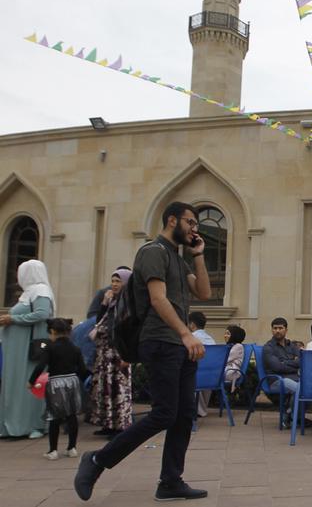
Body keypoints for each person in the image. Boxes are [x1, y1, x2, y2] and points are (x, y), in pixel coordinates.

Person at [74, 201, 211, 502]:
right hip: (160, 340)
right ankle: (97, 461)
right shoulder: (153, 252)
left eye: (197, 225)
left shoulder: (177, 259)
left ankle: (170, 481)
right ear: (172, 220)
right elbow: (158, 299)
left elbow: (203, 292)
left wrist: (198, 255)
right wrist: (186, 333)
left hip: (179, 344)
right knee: (164, 413)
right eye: (190, 222)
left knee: (183, 415)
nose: (194, 229)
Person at [0, 259, 55, 439]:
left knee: (32, 384)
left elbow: (42, 313)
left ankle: (33, 424)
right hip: (18, 350)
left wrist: (13, 319)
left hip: (28, 350)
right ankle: (13, 424)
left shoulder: (40, 290)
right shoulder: (29, 293)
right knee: (17, 385)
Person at [29, 318, 90, 460]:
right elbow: (82, 369)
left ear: (53, 331)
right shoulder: (75, 348)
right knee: (72, 415)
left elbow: (40, 366)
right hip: (72, 381)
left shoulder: (50, 347)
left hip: (56, 382)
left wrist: (31, 381)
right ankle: (72, 448)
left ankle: (53, 450)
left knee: (54, 417)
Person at [88, 268, 134, 437]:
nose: (114, 284)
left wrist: (127, 355)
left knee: (118, 388)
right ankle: (108, 424)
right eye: (113, 281)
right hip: (105, 352)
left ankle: (120, 426)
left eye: (118, 281)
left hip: (118, 352)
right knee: (105, 388)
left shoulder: (128, 303)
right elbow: (99, 321)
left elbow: (128, 329)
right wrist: (104, 304)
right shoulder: (112, 301)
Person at [262, 317, 302, 425]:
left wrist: (285, 362)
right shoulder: (268, 347)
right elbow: (277, 368)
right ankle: (295, 418)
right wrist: (293, 362)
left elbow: (302, 361)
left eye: (280, 328)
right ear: (272, 330)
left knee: (308, 387)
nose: (278, 331)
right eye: (275, 328)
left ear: (286, 330)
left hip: (294, 377)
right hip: (276, 380)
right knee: (299, 389)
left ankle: (289, 413)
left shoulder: (292, 345)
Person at [188, 311, 216, 418]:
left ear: (192, 325)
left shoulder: (191, 339)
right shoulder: (211, 339)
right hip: (212, 378)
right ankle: (200, 410)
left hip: (196, 377)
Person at [223, 325, 247, 390]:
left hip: (232, 372)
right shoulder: (229, 346)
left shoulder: (238, 346)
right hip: (226, 370)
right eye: (225, 333)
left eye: (228, 334)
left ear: (234, 335)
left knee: (209, 375)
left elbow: (225, 359)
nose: (225, 336)